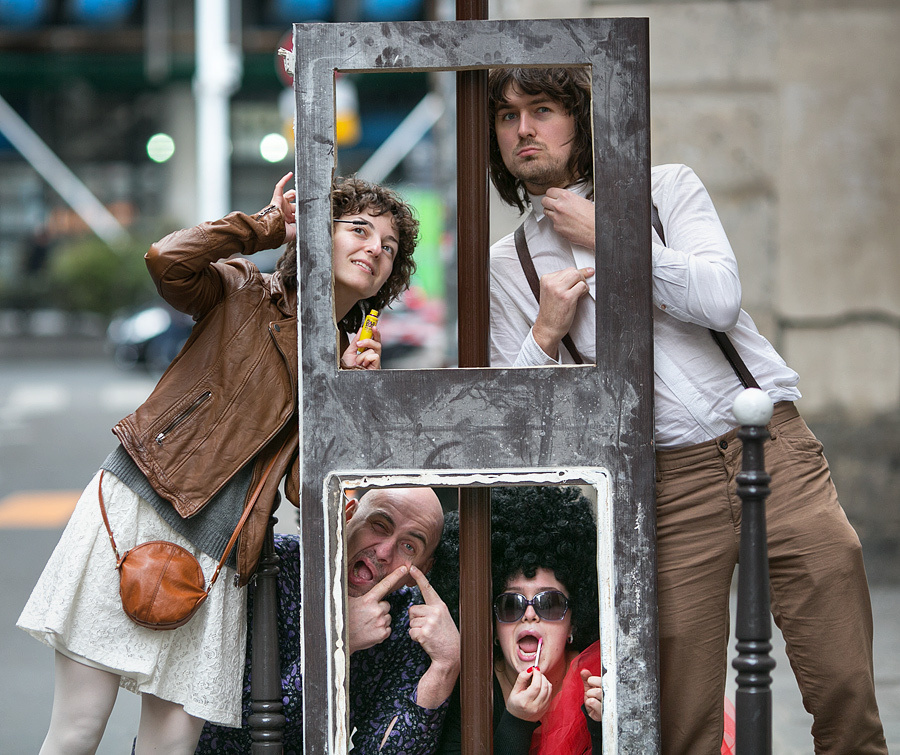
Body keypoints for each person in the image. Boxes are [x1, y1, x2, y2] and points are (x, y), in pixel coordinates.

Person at [487, 67, 887, 753]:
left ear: (580, 117)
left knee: (843, 674)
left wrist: (609, 235)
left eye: (543, 109)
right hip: (663, 484)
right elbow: (520, 422)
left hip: (771, 447)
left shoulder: (665, 188)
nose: (523, 128)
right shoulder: (510, 262)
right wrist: (545, 333)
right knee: (682, 716)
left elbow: (719, 297)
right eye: (506, 115)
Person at [17, 172, 419, 754]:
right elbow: (167, 262)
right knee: (78, 730)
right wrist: (263, 225)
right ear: (314, 233)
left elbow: (307, 491)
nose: (375, 250)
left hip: (223, 558)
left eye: (389, 247)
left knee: (174, 748)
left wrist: (347, 402)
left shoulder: (343, 359)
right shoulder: (245, 290)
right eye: (358, 229)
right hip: (138, 510)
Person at [196, 486, 460, 754]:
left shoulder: (409, 621)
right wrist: (339, 641)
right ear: (346, 516)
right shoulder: (272, 567)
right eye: (379, 525)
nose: (384, 552)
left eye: (408, 546)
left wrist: (445, 666)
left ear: (424, 568)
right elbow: (222, 735)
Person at [431, 486, 604, 754]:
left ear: (574, 621)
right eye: (511, 604)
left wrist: (602, 729)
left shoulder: (600, 680)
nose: (530, 614)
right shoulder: (466, 690)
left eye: (550, 603)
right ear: (493, 624)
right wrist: (516, 722)